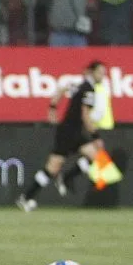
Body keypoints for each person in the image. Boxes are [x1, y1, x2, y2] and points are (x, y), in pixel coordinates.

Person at [16, 61, 106, 212]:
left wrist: (52, 107)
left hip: (73, 131)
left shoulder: (80, 86)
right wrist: (96, 136)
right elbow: (85, 115)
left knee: (95, 155)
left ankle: (65, 178)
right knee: (52, 168)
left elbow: (61, 89)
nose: (103, 76)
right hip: (68, 133)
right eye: (100, 73)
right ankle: (26, 197)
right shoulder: (89, 90)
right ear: (91, 72)